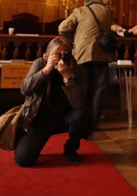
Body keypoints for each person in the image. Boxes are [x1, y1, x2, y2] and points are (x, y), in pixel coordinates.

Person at [59, 0, 137, 131]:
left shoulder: (80, 11)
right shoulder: (108, 12)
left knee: (80, 88)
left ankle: (79, 122)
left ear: (87, 2)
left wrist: (72, 40)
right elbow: (114, 29)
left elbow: (62, 28)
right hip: (103, 56)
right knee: (98, 91)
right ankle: (93, 124)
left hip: (82, 55)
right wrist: (128, 31)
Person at [14, 37, 88, 166]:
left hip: (64, 119)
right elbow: (24, 89)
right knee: (23, 160)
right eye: (58, 53)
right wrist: (46, 70)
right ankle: (26, 138)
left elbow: (79, 103)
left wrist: (67, 77)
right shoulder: (40, 64)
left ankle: (70, 149)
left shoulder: (77, 69)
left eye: (66, 53)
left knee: (82, 113)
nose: (61, 57)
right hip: (40, 121)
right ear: (49, 53)